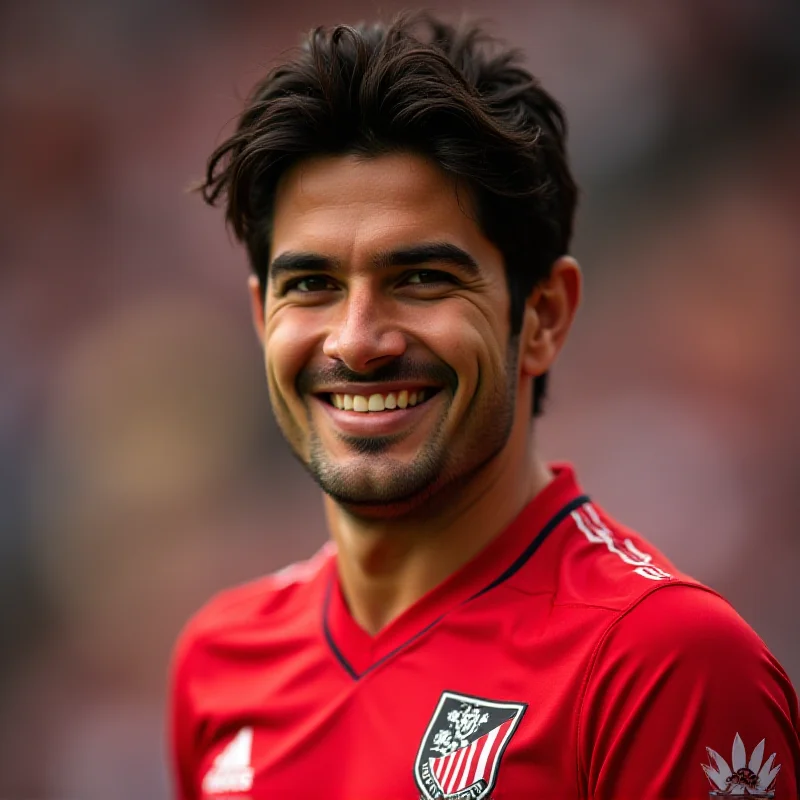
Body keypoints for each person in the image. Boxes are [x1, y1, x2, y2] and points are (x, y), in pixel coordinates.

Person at [168, 13, 799, 799]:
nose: (357, 341)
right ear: (263, 317)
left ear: (542, 317)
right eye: (313, 285)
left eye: (423, 278)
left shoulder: (659, 665)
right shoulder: (219, 663)